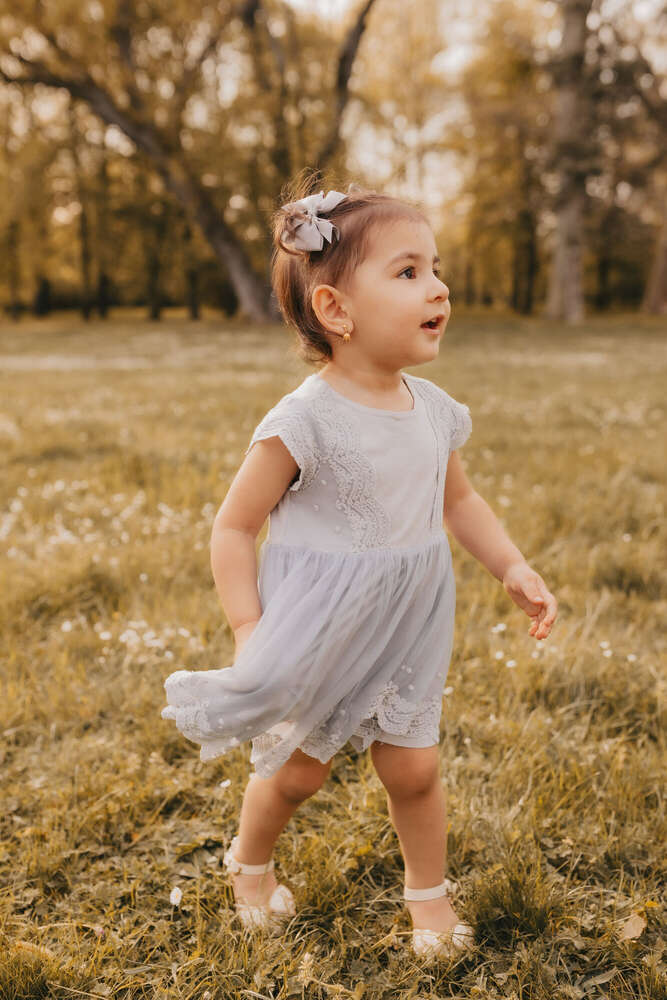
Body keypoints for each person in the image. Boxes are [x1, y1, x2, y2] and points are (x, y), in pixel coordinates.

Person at [161, 173, 558, 961]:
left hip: (411, 617)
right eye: (407, 272)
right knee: (300, 771)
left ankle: (429, 900)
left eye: (435, 268)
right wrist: (249, 626)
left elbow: (460, 504)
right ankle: (249, 864)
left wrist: (510, 566)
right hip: (323, 620)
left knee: (412, 767)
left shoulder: (433, 409)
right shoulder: (302, 420)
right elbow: (234, 526)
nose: (437, 286)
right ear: (335, 311)